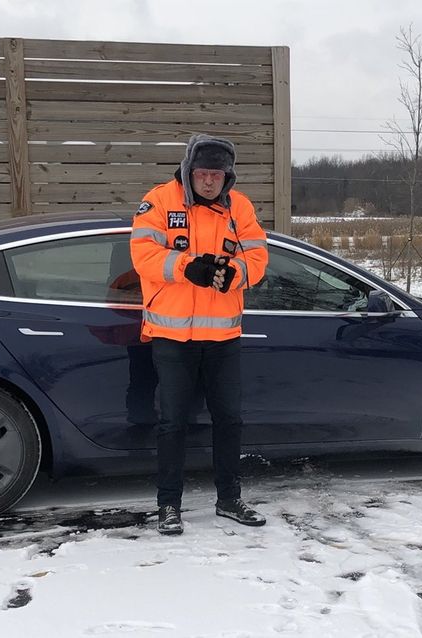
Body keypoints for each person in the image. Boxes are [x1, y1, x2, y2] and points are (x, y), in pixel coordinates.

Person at [129, 134, 270, 535]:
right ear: (189, 171)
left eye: (217, 175)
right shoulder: (159, 201)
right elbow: (143, 255)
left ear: (228, 177)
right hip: (172, 336)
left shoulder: (239, 207)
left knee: (230, 420)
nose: (209, 182)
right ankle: (168, 505)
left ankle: (229, 499)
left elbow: (258, 257)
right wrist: (188, 267)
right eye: (202, 174)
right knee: (172, 422)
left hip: (223, 338)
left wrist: (234, 274)